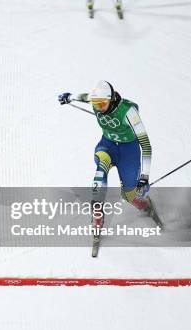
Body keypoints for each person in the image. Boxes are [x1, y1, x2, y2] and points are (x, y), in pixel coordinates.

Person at [58, 80, 154, 230]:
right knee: (101, 165)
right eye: (96, 105)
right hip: (107, 145)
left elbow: (146, 145)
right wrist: (69, 97)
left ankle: (144, 204)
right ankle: (97, 211)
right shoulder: (96, 99)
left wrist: (144, 177)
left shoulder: (129, 112)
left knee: (129, 195)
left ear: (112, 99)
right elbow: (84, 97)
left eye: (102, 104)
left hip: (128, 151)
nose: (99, 108)